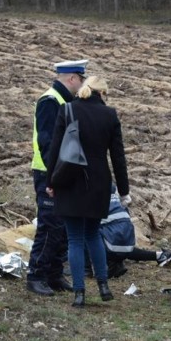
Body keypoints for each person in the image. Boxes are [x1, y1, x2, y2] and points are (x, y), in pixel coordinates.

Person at [46, 75, 130, 308]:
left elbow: (55, 148)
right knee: (93, 234)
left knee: (74, 238)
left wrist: (51, 181)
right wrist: (124, 191)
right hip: (98, 183)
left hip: (70, 180)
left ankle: (79, 293)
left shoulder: (67, 110)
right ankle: (103, 285)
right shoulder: (110, 114)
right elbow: (118, 157)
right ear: (102, 93)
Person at [26, 59, 88, 296]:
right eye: (81, 79)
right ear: (72, 78)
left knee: (62, 226)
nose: (82, 84)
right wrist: (53, 177)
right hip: (48, 173)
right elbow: (46, 142)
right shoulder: (50, 101)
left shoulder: (66, 101)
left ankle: (54, 274)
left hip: (63, 172)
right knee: (50, 225)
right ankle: (36, 275)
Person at [94, 184, 171, 279]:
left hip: (113, 239)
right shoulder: (113, 192)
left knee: (88, 237)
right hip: (126, 235)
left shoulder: (90, 195)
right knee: (122, 247)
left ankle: (108, 265)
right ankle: (159, 256)